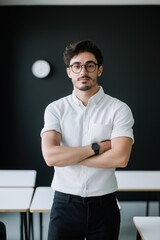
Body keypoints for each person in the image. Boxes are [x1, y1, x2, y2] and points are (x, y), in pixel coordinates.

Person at [41, 40, 134, 240]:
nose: (83, 71)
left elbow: (120, 158)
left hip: (104, 207)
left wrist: (69, 157)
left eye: (90, 65)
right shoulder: (55, 109)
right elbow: (50, 156)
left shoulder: (119, 109)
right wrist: (98, 147)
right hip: (64, 206)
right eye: (77, 66)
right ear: (69, 72)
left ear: (99, 70)